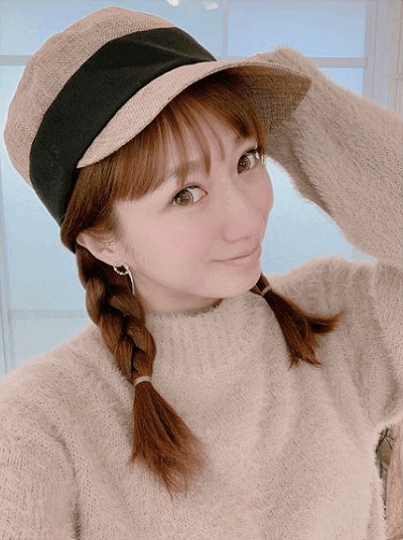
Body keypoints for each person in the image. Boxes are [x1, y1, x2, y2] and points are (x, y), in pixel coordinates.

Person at [0, 6, 402, 540]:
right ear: (101, 239)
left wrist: (308, 109)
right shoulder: (39, 424)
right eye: (185, 194)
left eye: (247, 160)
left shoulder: (334, 316)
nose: (247, 218)